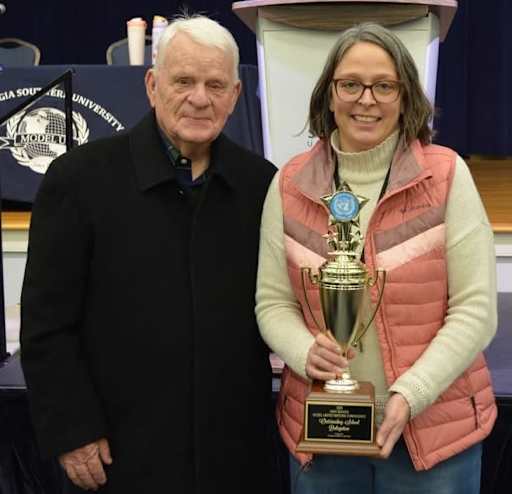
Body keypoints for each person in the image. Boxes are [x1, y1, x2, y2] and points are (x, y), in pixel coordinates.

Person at [21, 14, 278, 493]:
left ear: (236, 96)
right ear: (151, 85)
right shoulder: (79, 180)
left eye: (215, 84)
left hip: (234, 457)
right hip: (119, 456)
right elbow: (46, 325)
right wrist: (72, 429)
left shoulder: (261, 184)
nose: (199, 98)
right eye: (183, 81)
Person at [256, 22, 497, 494]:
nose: (366, 100)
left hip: (431, 438)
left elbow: (476, 310)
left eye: (384, 86)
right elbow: (272, 302)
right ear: (328, 95)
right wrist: (306, 354)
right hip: (325, 436)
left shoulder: (447, 176)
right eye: (350, 84)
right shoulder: (288, 184)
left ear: (406, 97)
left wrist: (413, 393)